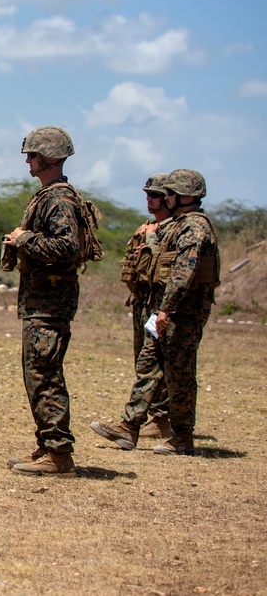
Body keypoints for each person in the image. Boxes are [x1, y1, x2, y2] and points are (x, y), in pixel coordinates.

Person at [90, 169, 218, 456]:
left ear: (185, 196)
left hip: (179, 314)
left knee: (179, 373)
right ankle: (129, 427)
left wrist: (166, 309)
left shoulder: (195, 228)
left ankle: (182, 438)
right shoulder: (178, 225)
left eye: (169, 193)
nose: (164, 198)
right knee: (148, 363)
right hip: (162, 312)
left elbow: (184, 273)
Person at [1, 126, 87, 477]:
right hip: (41, 301)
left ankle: (59, 454)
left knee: (45, 373)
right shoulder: (48, 196)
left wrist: (24, 239)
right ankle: (46, 445)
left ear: (48, 158)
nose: (27, 160)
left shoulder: (58, 199)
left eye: (33, 155)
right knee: (36, 373)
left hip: (50, 302)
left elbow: (68, 248)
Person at [90, 175, 173, 448]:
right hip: (143, 302)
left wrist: (152, 240)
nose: (149, 200)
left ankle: (153, 421)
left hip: (161, 306)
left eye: (155, 195)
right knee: (144, 360)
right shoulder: (148, 227)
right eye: (147, 195)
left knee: (154, 362)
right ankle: (157, 419)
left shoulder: (173, 230)